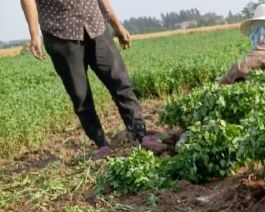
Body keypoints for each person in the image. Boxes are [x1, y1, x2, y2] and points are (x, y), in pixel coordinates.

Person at [20, 0, 163, 159]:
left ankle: (141, 134)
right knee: (80, 95)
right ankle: (102, 145)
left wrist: (117, 25)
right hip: (60, 32)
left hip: (95, 25)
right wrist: (34, 34)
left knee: (120, 82)